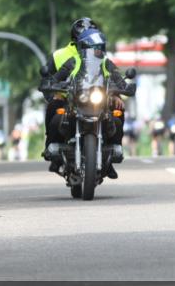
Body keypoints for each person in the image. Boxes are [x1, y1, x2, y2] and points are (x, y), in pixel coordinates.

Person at [46, 26, 127, 178]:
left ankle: (113, 152)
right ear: (83, 47)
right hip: (77, 102)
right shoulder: (73, 61)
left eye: (99, 47)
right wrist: (54, 85)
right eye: (92, 47)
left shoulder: (105, 63)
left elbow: (118, 78)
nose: (96, 50)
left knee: (117, 113)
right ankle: (53, 150)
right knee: (57, 118)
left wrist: (121, 90)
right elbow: (58, 77)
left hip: (100, 103)